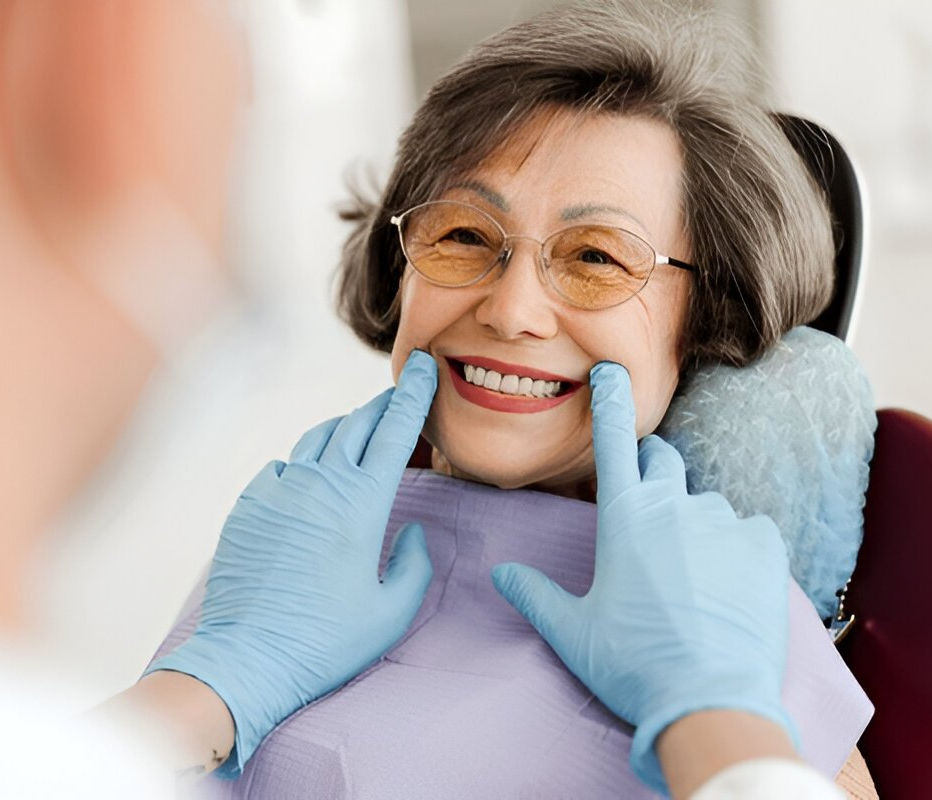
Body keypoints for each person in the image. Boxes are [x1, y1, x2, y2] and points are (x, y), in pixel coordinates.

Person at [0, 2, 868, 800]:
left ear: (707, 318)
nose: (510, 310)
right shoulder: (291, 548)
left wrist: (716, 719)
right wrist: (194, 695)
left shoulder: (729, 615)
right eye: (461, 236)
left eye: (597, 257)